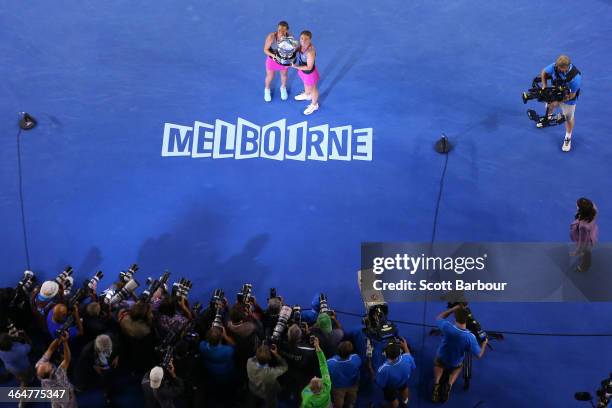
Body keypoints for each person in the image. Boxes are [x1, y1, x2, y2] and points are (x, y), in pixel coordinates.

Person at [432, 305, 487, 403]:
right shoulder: (470, 337)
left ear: (454, 317)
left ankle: (436, 384)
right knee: (459, 367)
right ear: (467, 319)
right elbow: (479, 355)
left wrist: (452, 309)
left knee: (438, 363)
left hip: (442, 357)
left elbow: (439, 317)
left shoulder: (447, 326)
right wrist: (484, 343)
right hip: (455, 363)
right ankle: (449, 384)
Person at [538, 55, 582, 152]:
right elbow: (544, 72)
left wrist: (558, 101)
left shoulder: (575, 78)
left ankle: (568, 137)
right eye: (559, 68)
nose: (560, 70)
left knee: (568, 118)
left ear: (568, 66)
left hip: (569, 98)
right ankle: (547, 119)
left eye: (562, 69)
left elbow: (572, 95)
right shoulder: (554, 66)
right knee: (549, 105)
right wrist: (544, 86)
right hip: (556, 91)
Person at [74, 334, 120, 405]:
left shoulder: (113, 339)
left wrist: (117, 356)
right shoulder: (86, 351)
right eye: (103, 351)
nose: (105, 353)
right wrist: (95, 367)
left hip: (107, 363)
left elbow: (119, 347)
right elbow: (86, 364)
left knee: (108, 376)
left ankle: (107, 392)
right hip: (93, 364)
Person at [36, 333, 78, 408]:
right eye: (48, 366)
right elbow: (67, 359)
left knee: (55, 403)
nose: (47, 362)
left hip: (52, 395)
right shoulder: (58, 375)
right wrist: (65, 342)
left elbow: (50, 349)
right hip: (66, 397)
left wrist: (58, 338)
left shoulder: (39, 367)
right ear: (51, 372)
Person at [375, 338, 415, 408]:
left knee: (392, 399)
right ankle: (405, 403)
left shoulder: (383, 369)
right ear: (399, 352)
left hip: (391, 387)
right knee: (404, 388)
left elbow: (380, 383)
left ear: (386, 354)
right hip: (403, 381)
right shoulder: (406, 358)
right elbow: (409, 357)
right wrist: (405, 346)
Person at [246, 343, 288, 407]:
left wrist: (262, 351)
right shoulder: (270, 373)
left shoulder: (249, 361)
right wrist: (276, 354)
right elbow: (285, 367)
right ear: (270, 358)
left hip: (252, 388)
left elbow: (256, 357)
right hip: (264, 393)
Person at [292, 30, 320, 115]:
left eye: (306, 39)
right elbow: (297, 50)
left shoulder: (310, 52)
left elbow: (309, 67)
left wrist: (296, 66)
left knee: (313, 89)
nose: (303, 41)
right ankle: (307, 95)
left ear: (310, 40)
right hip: (303, 71)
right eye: (301, 38)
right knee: (305, 83)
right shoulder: (301, 46)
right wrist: (291, 51)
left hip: (310, 73)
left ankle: (314, 105)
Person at [327, 341, 362, 408]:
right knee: (351, 399)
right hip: (353, 385)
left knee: (338, 402)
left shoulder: (330, 362)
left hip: (338, 387)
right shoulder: (356, 358)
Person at [263, 21, 291, 102]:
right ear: (277, 29)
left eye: (283, 31)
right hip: (272, 59)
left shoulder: (289, 38)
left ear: (286, 31)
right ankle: (267, 90)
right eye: (279, 30)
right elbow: (265, 50)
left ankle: (283, 88)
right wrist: (275, 56)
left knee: (284, 75)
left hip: (283, 60)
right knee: (270, 76)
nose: (281, 32)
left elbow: (291, 50)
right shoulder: (271, 37)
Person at [301, 336, 332, 408]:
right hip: (327, 405)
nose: (315, 376)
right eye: (317, 378)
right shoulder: (327, 385)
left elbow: (305, 406)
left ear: (310, 389)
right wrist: (317, 346)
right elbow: (323, 364)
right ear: (322, 385)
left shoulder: (306, 395)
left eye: (313, 379)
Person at [570, 197, 599, 272]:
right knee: (586, 251)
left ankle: (584, 266)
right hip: (592, 232)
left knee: (586, 252)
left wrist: (578, 250)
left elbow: (582, 241)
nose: (576, 206)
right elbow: (591, 205)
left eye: (577, 206)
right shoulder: (593, 210)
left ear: (582, 210)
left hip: (587, 241)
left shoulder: (583, 227)